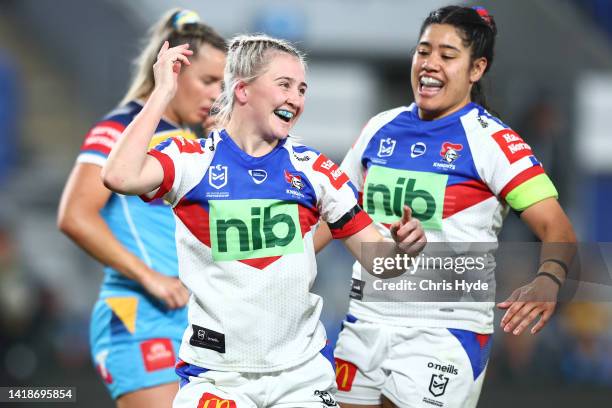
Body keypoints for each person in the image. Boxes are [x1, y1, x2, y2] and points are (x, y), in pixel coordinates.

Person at [101, 34, 426, 408]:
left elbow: (381, 263)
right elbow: (119, 176)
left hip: (301, 377)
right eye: (284, 85)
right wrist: (161, 94)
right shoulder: (192, 161)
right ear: (242, 91)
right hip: (217, 378)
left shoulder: (314, 170)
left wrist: (404, 249)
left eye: (302, 89)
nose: (296, 98)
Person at [314, 5, 576, 408]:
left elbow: (556, 226)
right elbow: (337, 213)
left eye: (447, 55)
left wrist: (548, 279)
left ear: (477, 68)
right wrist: (285, 264)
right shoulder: (380, 127)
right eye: (423, 51)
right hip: (366, 320)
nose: (429, 64)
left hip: (444, 331)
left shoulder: (492, 141)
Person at [57, 9, 226, 407]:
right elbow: (75, 216)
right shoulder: (122, 128)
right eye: (207, 81)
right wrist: (151, 278)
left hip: (197, 321)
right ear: (175, 72)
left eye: (223, 83)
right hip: (139, 316)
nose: (216, 94)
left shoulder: (194, 140)